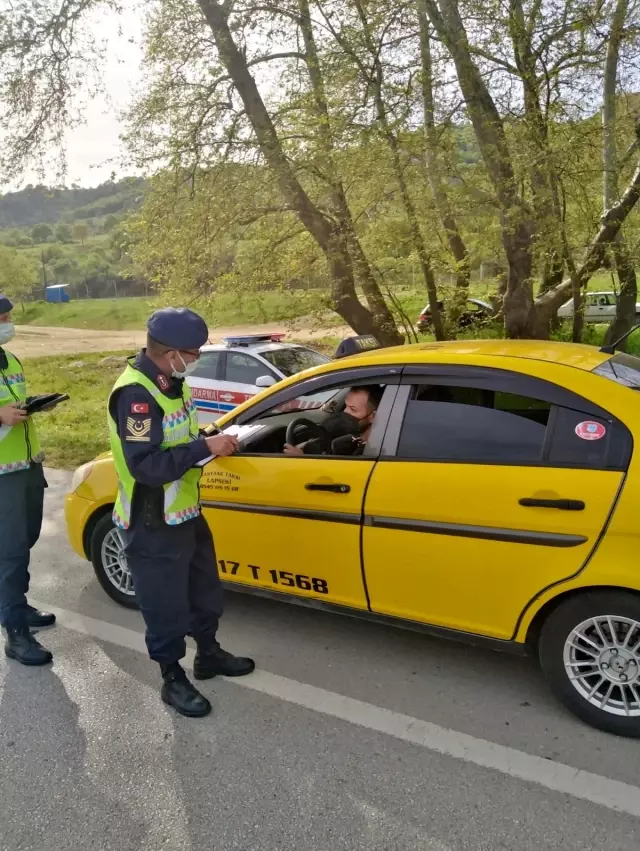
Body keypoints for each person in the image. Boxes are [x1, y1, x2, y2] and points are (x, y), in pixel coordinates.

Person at [108, 307, 255, 719]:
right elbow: (147, 466)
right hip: (154, 519)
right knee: (164, 604)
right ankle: (172, 678)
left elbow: (181, 440)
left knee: (204, 590)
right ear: (169, 352)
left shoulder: (173, 383)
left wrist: (212, 440)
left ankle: (208, 654)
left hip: (185, 511)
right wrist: (203, 449)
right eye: (191, 354)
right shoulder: (136, 394)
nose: (195, 360)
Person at [0, 294, 56, 667]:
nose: (7, 321)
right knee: (11, 552)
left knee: (27, 539)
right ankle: (15, 631)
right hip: (3, 477)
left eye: (7, 315)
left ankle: (16, 602)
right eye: (1, 317)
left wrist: (35, 403)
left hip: (27, 467)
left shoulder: (11, 359)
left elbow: (15, 403)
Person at [283, 385, 383, 457]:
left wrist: (303, 460)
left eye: (353, 409)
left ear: (373, 416)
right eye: (345, 406)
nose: (345, 412)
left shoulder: (373, 448)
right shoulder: (351, 436)